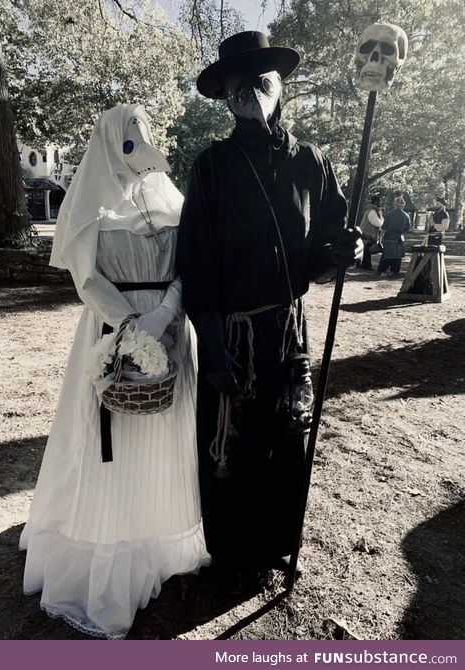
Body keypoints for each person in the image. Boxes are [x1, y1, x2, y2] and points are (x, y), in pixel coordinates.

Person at [177, 31, 362, 593]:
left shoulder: (312, 161)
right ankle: (233, 555)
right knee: (232, 442)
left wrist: (344, 250)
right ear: (226, 99)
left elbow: (329, 237)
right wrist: (211, 346)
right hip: (232, 331)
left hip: (289, 329)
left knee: (287, 436)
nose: (250, 98)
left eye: (262, 85)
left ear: (281, 88)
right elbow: (196, 263)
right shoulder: (211, 167)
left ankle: (278, 543)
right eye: (238, 91)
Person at [20, 103, 209, 639]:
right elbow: (87, 280)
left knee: (161, 434)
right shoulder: (88, 210)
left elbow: (189, 265)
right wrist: (131, 324)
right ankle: (110, 553)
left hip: (169, 331)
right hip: (112, 331)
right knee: (113, 440)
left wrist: (165, 314)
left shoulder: (172, 205)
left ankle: (157, 536)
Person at [377, 195, 411, 276]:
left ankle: (382, 270)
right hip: (399, 239)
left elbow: (384, 228)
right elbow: (408, 228)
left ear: (394, 204)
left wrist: (379, 239)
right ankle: (395, 271)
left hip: (389, 238)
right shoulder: (406, 216)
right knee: (397, 256)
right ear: (403, 205)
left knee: (386, 255)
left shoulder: (388, 215)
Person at [357, 194, 384, 270]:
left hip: (366, 234)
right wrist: (381, 215)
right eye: (379, 202)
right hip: (367, 234)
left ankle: (364, 265)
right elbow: (379, 223)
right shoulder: (372, 211)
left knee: (366, 251)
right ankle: (366, 266)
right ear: (376, 202)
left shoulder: (371, 210)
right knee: (367, 251)